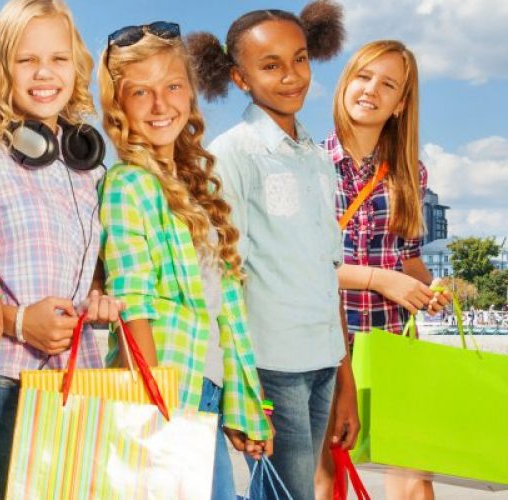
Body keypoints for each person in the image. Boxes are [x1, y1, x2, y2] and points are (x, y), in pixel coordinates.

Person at [0, 1, 121, 497]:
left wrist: (99, 298)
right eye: (26, 59)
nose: (45, 73)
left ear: (76, 66)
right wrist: (17, 320)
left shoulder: (89, 170)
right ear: (2, 68)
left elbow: (88, 273)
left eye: (59, 59)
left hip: (76, 381)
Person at [97, 22, 272, 499]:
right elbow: (132, 302)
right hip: (167, 389)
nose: (160, 105)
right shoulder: (127, 184)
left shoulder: (197, 189)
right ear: (118, 106)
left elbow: (228, 312)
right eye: (141, 92)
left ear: (190, 95)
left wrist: (246, 407)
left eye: (172, 86)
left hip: (208, 388)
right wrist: (155, 408)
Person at [187, 2, 354, 498]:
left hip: (323, 357)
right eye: (271, 65)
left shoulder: (320, 159)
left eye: (299, 59)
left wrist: (345, 380)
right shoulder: (231, 155)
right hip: (272, 364)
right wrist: (242, 384)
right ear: (239, 78)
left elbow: (329, 275)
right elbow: (224, 276)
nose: (291, 76)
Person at [319, 39, 451, 500]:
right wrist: (380, 279)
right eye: (363, 76)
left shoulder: (411, 173)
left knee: (413, 477)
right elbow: (299, 267)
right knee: (327, 476)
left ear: (400, 104)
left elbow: (408, 257)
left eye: (388, 83)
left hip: (393, 341)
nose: (372, 89)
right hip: (324, 345)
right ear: (345, 82)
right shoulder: (308, 164)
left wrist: (429, 287)